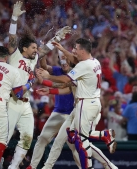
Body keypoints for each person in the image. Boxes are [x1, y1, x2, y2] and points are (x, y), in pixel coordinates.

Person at [2, 2, 71, 169]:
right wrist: (13, 18)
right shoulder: (15, 54)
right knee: (3, 139)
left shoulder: (33, 58)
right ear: (24, 48)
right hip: (11, 101)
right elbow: (12, 39)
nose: (36, 50)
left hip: (25, 103)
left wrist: (58, 38)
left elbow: (45, 50)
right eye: (33, 47)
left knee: (27, 138)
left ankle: (14, 167)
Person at [38, 38, 116, 169]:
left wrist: (47, 77)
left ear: (82, 51)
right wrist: (62, 49)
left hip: (86, 105)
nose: (73, 52)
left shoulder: (82, 66)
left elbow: (65, 80)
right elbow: (67, 83)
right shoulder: (93, 61)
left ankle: (104, 141)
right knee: (69, 137)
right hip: (86, 104)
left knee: (81, 139)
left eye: (75, 48)